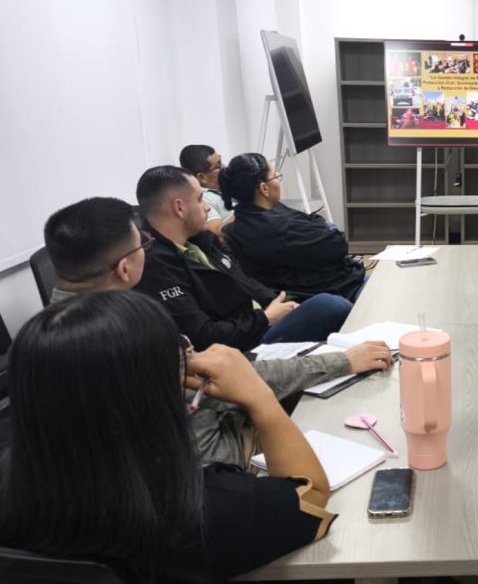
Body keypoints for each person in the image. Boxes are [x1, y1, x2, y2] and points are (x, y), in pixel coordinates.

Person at [0, 291, 337, 581]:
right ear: (156, 390)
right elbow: (310, 497)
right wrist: (260, 398)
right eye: (183, 351)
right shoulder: (207, 505)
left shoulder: (12, 482)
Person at [42, 196, 392, 467]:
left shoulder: (40, 337)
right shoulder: (141, 332)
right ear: (124, 268)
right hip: (208, 466)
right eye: (143, 244)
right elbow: (232, 382)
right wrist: (342, 362)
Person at [134, 165, 354, 351]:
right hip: (244, 345)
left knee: (351, 295)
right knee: (331, 305)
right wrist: (265, 318)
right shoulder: (156, 267)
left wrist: (280, 303)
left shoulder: (202, 241)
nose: (207, 207)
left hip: (262, 318)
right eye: (200, 199)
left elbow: (244, 281)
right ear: (179, 208)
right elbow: (203, 335)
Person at [218, 153, 366, 302]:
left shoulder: (236, 226)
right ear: (264, 188)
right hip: (329, 290)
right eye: (276, 176)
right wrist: (323, 225)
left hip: (297, 290)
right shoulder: (284, 228)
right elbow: (338, 245)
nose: (279, 181)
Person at [179, 144, 234, 239]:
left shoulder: (225, 186)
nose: (225, 167)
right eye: (218, 166)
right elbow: (217, 236)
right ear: (202, 177)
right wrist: (248, 209)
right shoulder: (203, 199)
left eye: (220, 161)